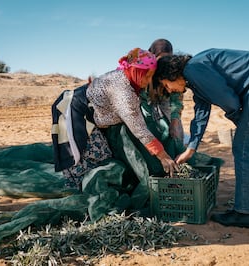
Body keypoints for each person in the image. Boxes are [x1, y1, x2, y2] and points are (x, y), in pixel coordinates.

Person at [153, 48, 249, 228]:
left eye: (165, 85)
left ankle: (244, 213)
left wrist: (239, 119)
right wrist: (191, 148)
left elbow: (227, 98)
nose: (169, 90)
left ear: (170, 74)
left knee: (244, 148)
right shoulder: (194, 76)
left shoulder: (193, 69)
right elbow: (201, 112)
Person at [52, 48, 178, 190]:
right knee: (91, 157)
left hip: (93, 117)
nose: (147, 81)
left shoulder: (128, 80)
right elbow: (139, 128)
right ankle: (82, 191)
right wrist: (163, 156)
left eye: (150, 77)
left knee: (103, 155)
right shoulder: (123, 91)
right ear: (136, 71)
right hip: (76, 113)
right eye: (146, 76)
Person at [144, 38, 184, 143]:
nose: (163, 63)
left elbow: (176, 100)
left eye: (167, 58)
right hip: (146, 108)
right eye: (160, 59)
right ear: (153, 56)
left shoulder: (173, 69)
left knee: (175, 136)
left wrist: (174, 122)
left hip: (166, 107)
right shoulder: (145, 70)